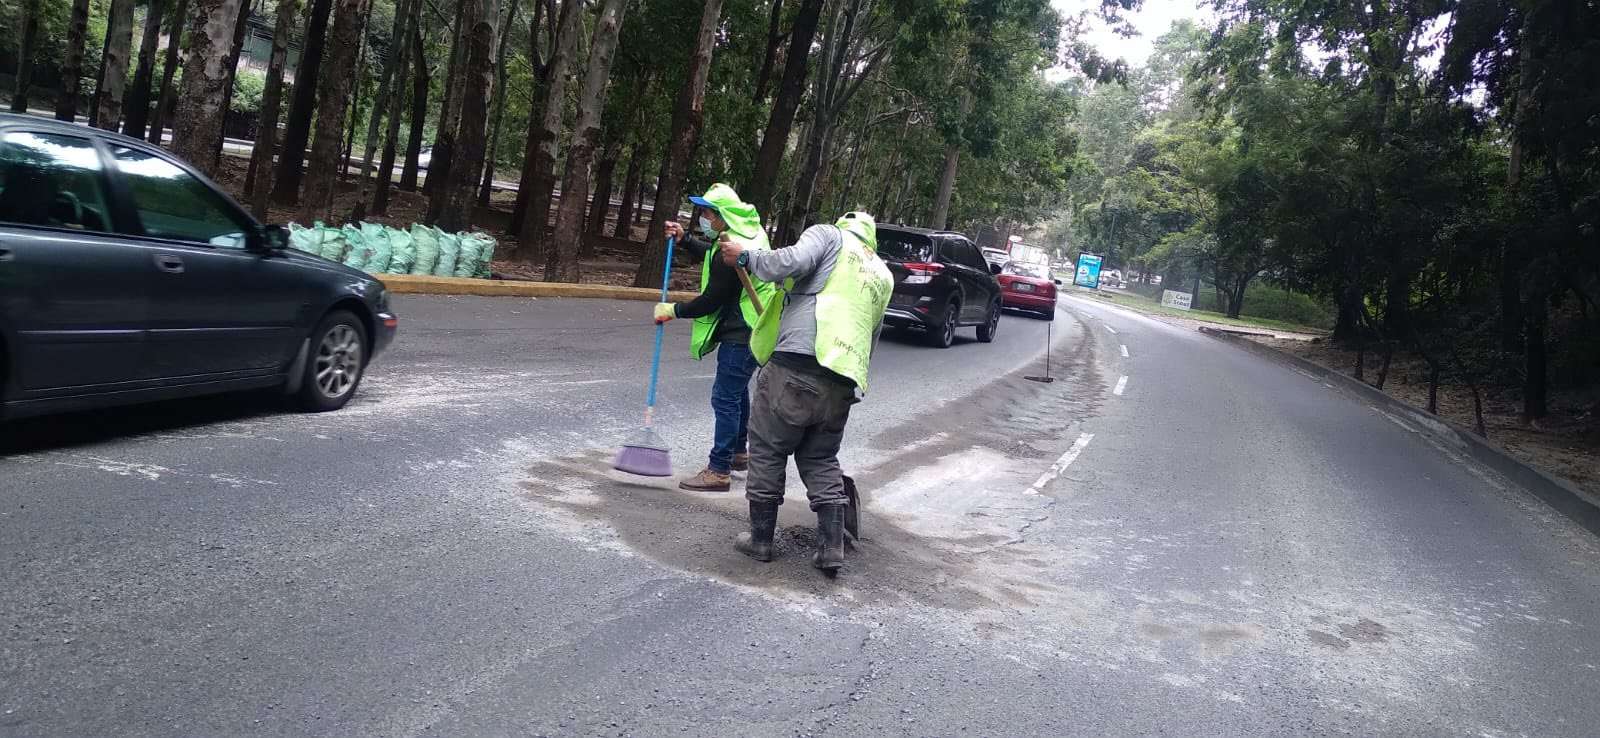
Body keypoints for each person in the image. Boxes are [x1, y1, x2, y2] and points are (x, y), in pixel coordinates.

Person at [717, 211, 892, 574]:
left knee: (768, 448)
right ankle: (831, 547)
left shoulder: (830, 236)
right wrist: (850, 383)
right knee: (820, 457)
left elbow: (791, 261)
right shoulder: (883, 274)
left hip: (796, 362)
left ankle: (760, 540)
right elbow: (871, 335)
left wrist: (746, 257)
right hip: (843, 377)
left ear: (844, 226)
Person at [653, 184, 776, 492]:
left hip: (742, 331)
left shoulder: (729, 251)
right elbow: (713, 254)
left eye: (708, 213)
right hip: (757, 326)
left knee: (724, 398)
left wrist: (673, 310)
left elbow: (711, 300)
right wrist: (686, 240)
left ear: (722, 216)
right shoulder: (749, 233)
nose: (704, 218)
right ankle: (738, 452)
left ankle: (719, 470)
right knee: (737, 392)